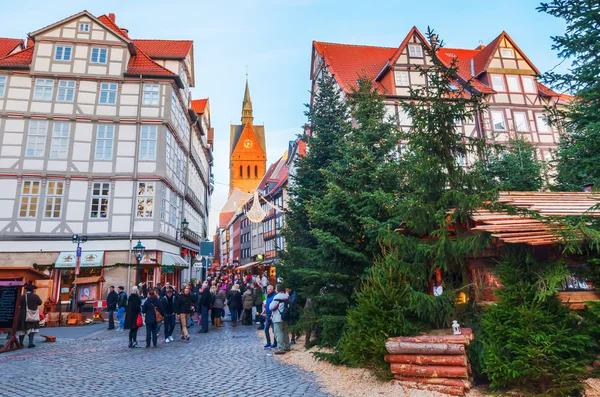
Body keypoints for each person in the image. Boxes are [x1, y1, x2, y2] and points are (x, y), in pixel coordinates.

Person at [16, 284, 42, 348]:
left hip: (22, 315)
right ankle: (30, 343)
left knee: (22, 329)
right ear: (32, 290)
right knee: (31, 329)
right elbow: (40, 303)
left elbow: (18, 304)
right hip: (31, 315)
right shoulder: (35, 296)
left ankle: (21, 343)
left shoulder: (22, 297)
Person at [270, 284, 290, 355]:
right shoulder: (286, 296)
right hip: (285, 317)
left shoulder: (277, 297)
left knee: (278, 333)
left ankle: (281, 348)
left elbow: (272, 307)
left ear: (277, 289)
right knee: (285, 333)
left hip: (278, 317)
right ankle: (287, 346)